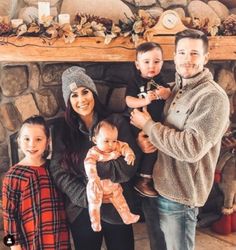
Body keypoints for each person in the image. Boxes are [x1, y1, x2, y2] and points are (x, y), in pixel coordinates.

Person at [130, 29, 230, 250]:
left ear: (205, 58)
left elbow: (191, 148)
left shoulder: (212, 97)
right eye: (182, 52)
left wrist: (147, 125)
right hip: (155, 187)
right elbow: (158, 133)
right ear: (174, 57)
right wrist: (143, 138)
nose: (187, 59)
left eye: (194, 53)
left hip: (179, 195)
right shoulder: (173, 90)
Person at [49, 66, 141, 250]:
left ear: (93, 93)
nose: (81, 99)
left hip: (117, 204)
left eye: (85, 92)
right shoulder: (62, 131)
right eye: (74, 95)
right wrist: (87, 196)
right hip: (82, 207)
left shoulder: (116, 123)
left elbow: (127, 167)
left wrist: (85, 171)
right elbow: (58, 172)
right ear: (68, 101)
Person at [2, 115, 71, 250]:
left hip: (59, 238)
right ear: (18, 140)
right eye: (26, 139)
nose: (32, 144)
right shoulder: (13, 176)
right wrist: (13, 246)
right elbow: (9, 215)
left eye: (38, 139)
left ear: (47, 142)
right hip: (31, 243)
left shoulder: (54, 168)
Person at [125, 42, 171, 197]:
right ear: (137, 65)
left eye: (156, 62)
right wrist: (144, 101)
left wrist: (165, 92)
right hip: (137, 122)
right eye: (146, 62)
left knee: (154, 150)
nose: (152, 66)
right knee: (148, 149)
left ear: (162, 63)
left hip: (155, 123)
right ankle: (142, 180)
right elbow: (128, 101)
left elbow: (169, 94)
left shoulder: (160, 79)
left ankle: (146, 179)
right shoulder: (135, 81)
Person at [85, 119, 140, 232]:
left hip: (112, 185)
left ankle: (127, 216)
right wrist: (93, 178)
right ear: (95, 140)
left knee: (120, 200)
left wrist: (129, 154)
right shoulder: (93, 152)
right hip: (97, 185)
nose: (111, 144)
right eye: (106, 141)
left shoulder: (115, 146)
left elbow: (124, 146)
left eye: (114, 140)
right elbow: (89, 164)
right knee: (94, 204)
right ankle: (95, 222)